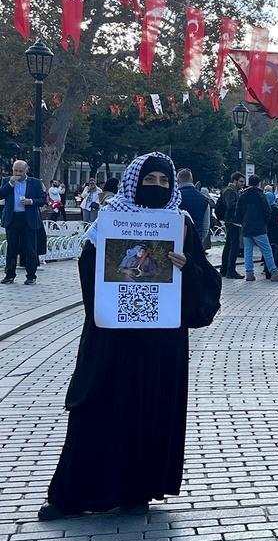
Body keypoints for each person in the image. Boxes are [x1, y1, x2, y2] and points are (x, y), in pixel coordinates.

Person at [38, 152, 211, 520]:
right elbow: (89, 266)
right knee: (97, 406)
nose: (157, 187)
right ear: (135, 183)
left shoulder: (180, 223)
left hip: (159, 342)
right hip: (113, 337)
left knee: (149, 409)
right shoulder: (110, 220)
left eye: (163, 181)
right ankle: (73, 494)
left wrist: (187, 268)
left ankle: (138, 490)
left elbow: (205, 281)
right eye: (149, 180)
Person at [1, 160, 45, 285]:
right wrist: (10, 184)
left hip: (28, 218)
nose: (18, 174)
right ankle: (9, 275)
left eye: (21, 171)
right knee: (11, 248)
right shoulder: (7, 181)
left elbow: (42, 200)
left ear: (26, 170)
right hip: (12, 218)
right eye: (15, 171)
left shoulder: (35, 182)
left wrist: (30, 201)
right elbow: (1, 195)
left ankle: (31, 276)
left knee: (30, 248)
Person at [236, 175, 278, 281]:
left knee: (248, 251)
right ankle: (274, 272)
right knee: (266, 249)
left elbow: (238, 212)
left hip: (246, 226)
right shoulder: (261, 195)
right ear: (258, 183)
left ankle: (249, 273)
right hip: (259, 227)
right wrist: (265, 223)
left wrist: (243, 222)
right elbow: (267, 211)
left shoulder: (243, 195)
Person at [215, 171, 245, 279]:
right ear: (235, 181)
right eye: (241, 181)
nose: (242, 184)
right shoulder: (230, 191)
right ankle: (230, 270)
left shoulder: (234, 191)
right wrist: (242, 203)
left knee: (229, 245)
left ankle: (225, 269)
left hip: (232, 221)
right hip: (232, 221)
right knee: (234, 246)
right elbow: (231, 205)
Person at [177, 169, 211, 251]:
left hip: (177, 239)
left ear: (177, 180)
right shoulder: (204, 199)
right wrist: (200, 239)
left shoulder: (175, 198)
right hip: (196, 239)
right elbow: (206, 226)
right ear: (192, 180)